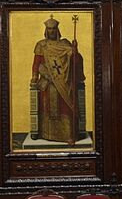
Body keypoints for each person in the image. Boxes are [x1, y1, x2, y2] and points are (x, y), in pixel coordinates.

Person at [29, 16, 84, 144]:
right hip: (47, 82)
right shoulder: (41, 45)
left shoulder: (65, 44)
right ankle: (47, 134)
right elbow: (36, 63)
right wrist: (34, 76)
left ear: (57, 30)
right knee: (48, 107)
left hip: (64, 82)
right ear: (46, 30)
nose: (52, 31)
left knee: (66, 106)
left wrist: (75, 50)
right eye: (49, 29)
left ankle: (68, 135)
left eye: (54, 29)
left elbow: (76, 61)